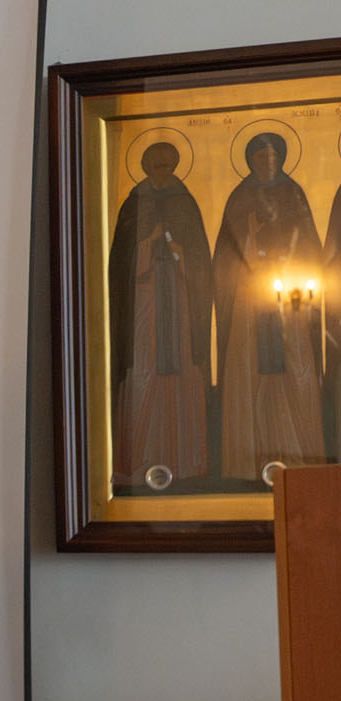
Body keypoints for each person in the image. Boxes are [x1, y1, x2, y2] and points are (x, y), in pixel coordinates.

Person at [213, 131, 324, 482]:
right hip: (249, 300)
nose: (268, 161)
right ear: (250, 160)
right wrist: (252, 237)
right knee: (250, 370)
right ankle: (248, 460)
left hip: (291, 299)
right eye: (261, 156)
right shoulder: (239, 197)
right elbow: (226, 255)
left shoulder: (294, 193)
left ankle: (302, 455)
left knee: (296, 366)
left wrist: (289, 255)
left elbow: (309, 245)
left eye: (273, 155)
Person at [107, 141, 212, 489]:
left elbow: (200, 260)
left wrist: (181, 253)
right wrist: (148, 244)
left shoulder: (185, 202)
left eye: (168, 165)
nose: (163, 171)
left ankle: (186, 462)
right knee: (144, 367)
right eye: (157, 165)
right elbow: (120, 264)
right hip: (144, 301)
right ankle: (140, 460)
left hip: (180, 302)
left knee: (181, 371)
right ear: (146, 167)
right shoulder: (134, 205)